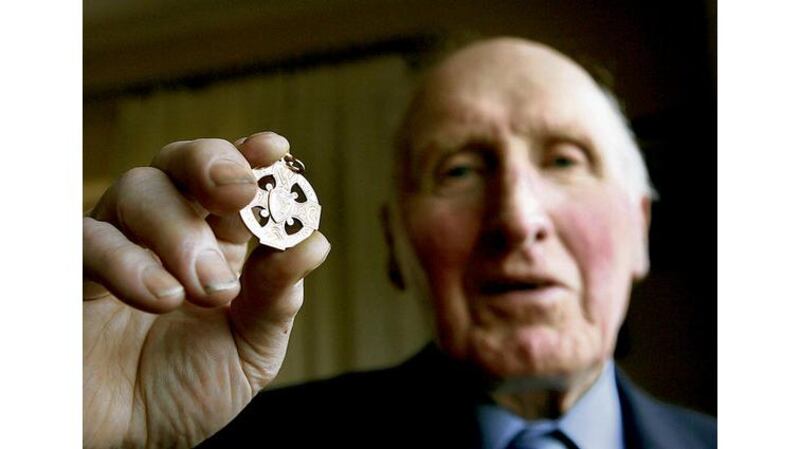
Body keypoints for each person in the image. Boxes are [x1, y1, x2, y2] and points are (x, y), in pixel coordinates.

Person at [83, 37, 716, 448]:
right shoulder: (225, 439)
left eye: (566, 161)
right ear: (395, 245)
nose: (519, 219)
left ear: (641, 228)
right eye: (459, 171)